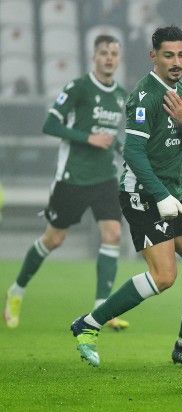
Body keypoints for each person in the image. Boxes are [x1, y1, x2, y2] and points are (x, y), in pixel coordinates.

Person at [69, 25, 182, 368]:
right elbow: (134, 153)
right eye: (168, 55)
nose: (176, 61)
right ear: (154, 56)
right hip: (142, 193)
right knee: (165, 276)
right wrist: (160, 195)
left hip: (174, 192)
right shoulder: (144, 96)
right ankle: (87, 325)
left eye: (181, 54)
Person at [4, 35, 129, 330]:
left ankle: (102, 309)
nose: (109, 58)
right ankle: (16, 291)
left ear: (118, 59)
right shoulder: (79, 88)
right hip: (73, 176)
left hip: (105, 177)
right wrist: (89, 138)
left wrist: (124, 151)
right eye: (103, 53)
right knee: (54, 240)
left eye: (113, 53)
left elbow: (110, 137)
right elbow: (50, 124)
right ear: (93, 57)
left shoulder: (121, 95)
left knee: (112, 234)